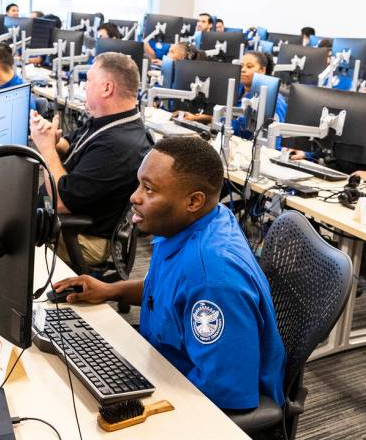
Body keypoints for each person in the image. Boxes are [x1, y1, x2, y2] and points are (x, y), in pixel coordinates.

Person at [51, 136, 286, 410]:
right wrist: (110, 290)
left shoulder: (213, 278)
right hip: (162, 362)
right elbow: (168, 290)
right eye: (139, 183)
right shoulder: (187, 223)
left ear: (193, 201)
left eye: (149, 189)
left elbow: (227, 398)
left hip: (200, 404)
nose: (134, 196)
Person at [29, 52, 151, 266]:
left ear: (107, 88)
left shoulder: (118, 146)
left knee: (1, 228)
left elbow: (60, 203)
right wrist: (55, 141)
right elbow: (72, 144)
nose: (84, 86)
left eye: (89, 80)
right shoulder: (109, 120)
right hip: (63, 218)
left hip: (82, 237)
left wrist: (46, 149)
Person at [233, 51, 287, 144]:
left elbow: (274, 139)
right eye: (241, 66)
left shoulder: (275, 100)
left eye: (249, 66)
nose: (243, 69)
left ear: (262, 70)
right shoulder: (236, 89)